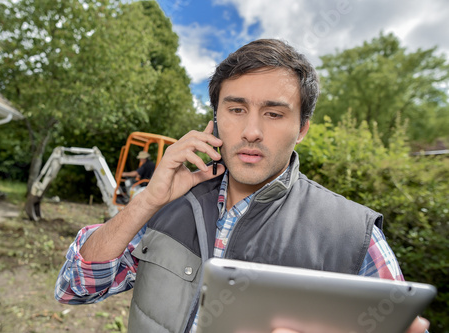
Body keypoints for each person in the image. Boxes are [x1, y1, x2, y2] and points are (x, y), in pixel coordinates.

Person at [55, 39, 430, 333]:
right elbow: (75, 288)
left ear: (301, 129)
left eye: (273, 113)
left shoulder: (355, 236)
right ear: (215, 119)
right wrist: (147, 200)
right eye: (236, 110)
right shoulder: (163, 206)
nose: (251, 131)